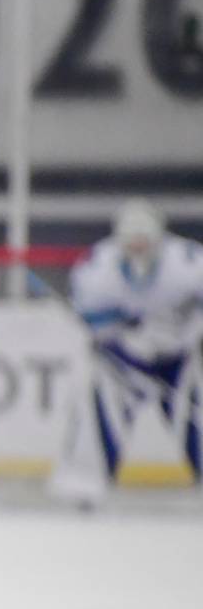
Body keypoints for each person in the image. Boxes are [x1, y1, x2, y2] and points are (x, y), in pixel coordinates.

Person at [48, 199, 203, 505]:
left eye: (145, 242)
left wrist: (184, 333)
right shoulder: (97, 268)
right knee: (98, 403)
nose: (138, 248)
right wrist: (117, 333)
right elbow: (91, 319)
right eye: (131, 243)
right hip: (124, 364)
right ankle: (83, 479)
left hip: (181, 359)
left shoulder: (190, 263)